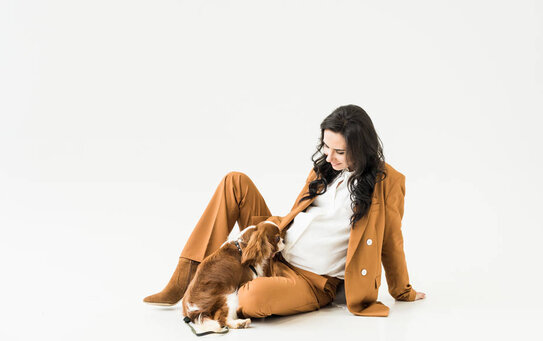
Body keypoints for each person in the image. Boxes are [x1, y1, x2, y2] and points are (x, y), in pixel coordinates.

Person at [144, 104, 425, 318]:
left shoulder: (388, 183)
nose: (328, 157)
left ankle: (226, 288)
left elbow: (391, 241)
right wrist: (269, 231)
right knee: (235, 181)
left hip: (309, 280)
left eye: (339, 151)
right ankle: (185, 279)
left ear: (362, 149)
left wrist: (403, 291)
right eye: (326, 146)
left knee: (252, 299)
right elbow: (300, 215)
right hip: (274, 247)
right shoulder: (325, 168)